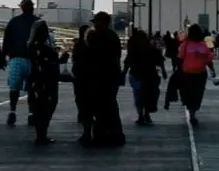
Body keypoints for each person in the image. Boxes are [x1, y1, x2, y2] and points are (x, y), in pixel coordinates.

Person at [74, 12, 126, 146]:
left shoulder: (95, 36)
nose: (95, 25)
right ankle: (112, 134)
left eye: (96, 22)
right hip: (109, 77)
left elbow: (89, 56)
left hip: (95, 78)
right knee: (109, 107)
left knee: (95, 107)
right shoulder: (112, 36)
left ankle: (98, 135)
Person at [1, 0, 42, 127]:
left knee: (14, 88)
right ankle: (30, 114)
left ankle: (13, 111)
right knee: (31, 88)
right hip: (32, 59)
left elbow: (7, 40)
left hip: (16, 58)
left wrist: (3, 57)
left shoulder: (14, 22)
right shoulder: (39, 23)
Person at [25, 21, 62, 144]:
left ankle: (41, 133)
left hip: (38, 80)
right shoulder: (40, 46)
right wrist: (58, 61)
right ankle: (42, 134)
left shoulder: (33, 45)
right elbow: (42, 63)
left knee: (40, 107)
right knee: (46, 106)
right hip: (44, 80)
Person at [125, 26, 163, 126]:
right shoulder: (151, 49)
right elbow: (160, 60)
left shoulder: (133, 50)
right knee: (148, 95)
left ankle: (140, 115)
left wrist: (123, 73)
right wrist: (163, 71)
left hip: (136, 75)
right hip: (150, 75)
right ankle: (146, 113)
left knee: (138, 95)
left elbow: (128, 61)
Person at [177, 24, 214, 127]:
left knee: (194, 94)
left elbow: (209, 60)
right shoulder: (190, 45)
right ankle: (192, 113)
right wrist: (213, 71)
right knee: (194, 94)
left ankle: (192, 110)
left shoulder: (196, 45)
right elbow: (209, 60)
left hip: (195, 74)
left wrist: (212, 71)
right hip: (192, 74)